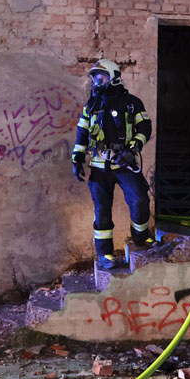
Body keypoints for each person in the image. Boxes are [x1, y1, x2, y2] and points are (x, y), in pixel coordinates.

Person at [72, 58, 153, 268]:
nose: (97, 82)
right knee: (102, 210)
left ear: (114, 78)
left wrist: (132, 150)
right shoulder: (91, 106)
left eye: (102, 77)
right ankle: (105, 255)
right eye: (95, 78)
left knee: (139, 200)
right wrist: (77, 159)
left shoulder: (132, 103)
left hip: (125, 164)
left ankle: (141, 235)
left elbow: (145, 127)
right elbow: (82, 134)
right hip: (99, 167)